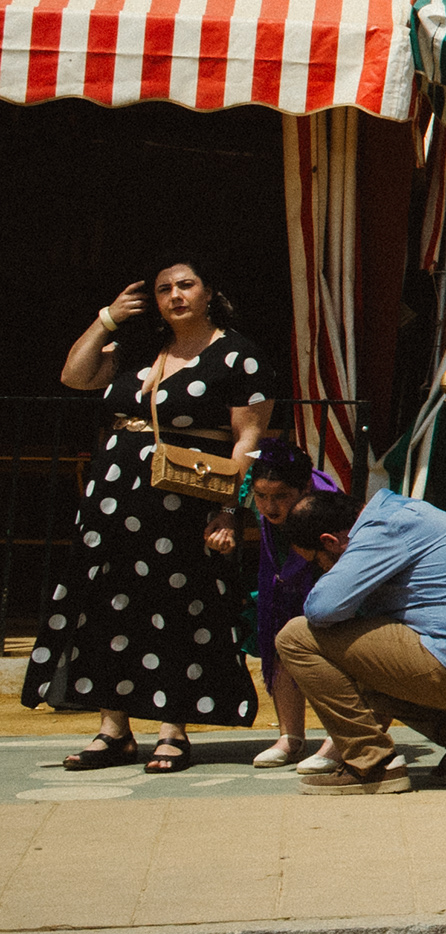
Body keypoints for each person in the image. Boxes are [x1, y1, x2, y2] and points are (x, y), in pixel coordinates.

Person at [19, 261, 273, 772]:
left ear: (209, 293)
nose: (175, 295)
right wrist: (107, 319)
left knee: (176, 606)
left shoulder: (238, 356)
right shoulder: (138, 349)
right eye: (164, 289)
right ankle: (113, 729)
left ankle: (172, 728)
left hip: (185, 502)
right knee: (107, 606)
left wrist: (228, 509)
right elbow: (75, 375)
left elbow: (248, 440)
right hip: (113, 499)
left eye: (186, 285)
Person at [273, 482, 446, 794]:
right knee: (360, 653)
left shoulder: (382, 529)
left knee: (295, 636)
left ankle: (371, 763)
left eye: (318, 563)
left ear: (330, 541)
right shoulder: (402, 514)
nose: (320, 571)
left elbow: (323, 608)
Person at [205, 439, 330, 765]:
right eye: (262, 497)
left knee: (329, 654)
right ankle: (290, 737)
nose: (269, 505)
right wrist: (229, 520)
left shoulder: (324, 508)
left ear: (304, 489)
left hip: (323, 584)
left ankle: (342, 738)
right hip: (280, 582)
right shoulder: (262, 498)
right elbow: (238, 493)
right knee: (278, 646)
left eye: (280, 497)